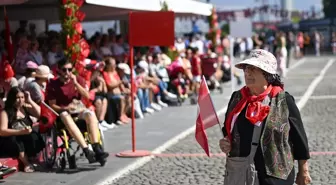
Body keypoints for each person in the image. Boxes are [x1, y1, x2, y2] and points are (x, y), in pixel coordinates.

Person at [219, 49, 311, 185]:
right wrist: (226, 142)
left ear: (267, 74)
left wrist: (303, 170)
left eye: (254, 69)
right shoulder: (236, 98)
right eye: (246, 68)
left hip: (275, 175)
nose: (247, 72)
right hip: (242, 174)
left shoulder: (283, 100)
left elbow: (299, 137)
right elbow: (229, 130)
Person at [47, 59, 108, 164]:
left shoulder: (78, 80)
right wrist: (65, 108)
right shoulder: (53, 84)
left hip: (78, 111)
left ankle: (96, 147)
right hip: (63, 113)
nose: (67, 72)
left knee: (90, 113)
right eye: (64, 70)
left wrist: (75, 83)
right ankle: (86, 150)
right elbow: (52, 105)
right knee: (65, 115)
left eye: (70, 70)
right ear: (59, 70)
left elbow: (87, 96)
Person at [0, 87, 44, 172]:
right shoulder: (5, 112)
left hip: (25, 136)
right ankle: (26, 163)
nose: (20, 100)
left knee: (34, 136)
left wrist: (30, 100)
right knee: (16, 140)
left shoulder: (25, 108)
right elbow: (2, 131)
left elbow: (40, 114)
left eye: (22, 97)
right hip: (10, 140)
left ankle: (33, 158)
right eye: (17, 98)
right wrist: (21, 132)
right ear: (12, 98)